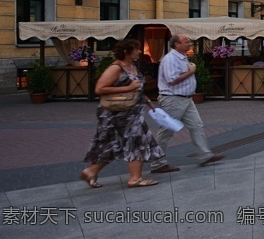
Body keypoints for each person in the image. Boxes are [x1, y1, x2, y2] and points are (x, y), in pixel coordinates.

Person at [80, 39, 163, 189]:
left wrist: (148, 101)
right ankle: (135, 178)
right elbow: (99, 89)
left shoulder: (131, 66)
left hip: (132, 111)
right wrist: (128, 88)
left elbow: (137, 88)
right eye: (136, 49)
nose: (139, 51)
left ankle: (91, 171)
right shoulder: (116, 68)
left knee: (113, 144)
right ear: (126, 51)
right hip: (117, 113)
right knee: (137, 141)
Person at [150, 34, 225, 174]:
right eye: (186, 41)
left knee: (196, 125)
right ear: (177, 44)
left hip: (186, 99)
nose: (189, 43)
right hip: (173, 99)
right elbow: (172, 80)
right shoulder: (170, 59)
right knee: (166, 131)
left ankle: (204, 155)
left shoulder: (182, 57)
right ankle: (158, 163)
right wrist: (191, 72)